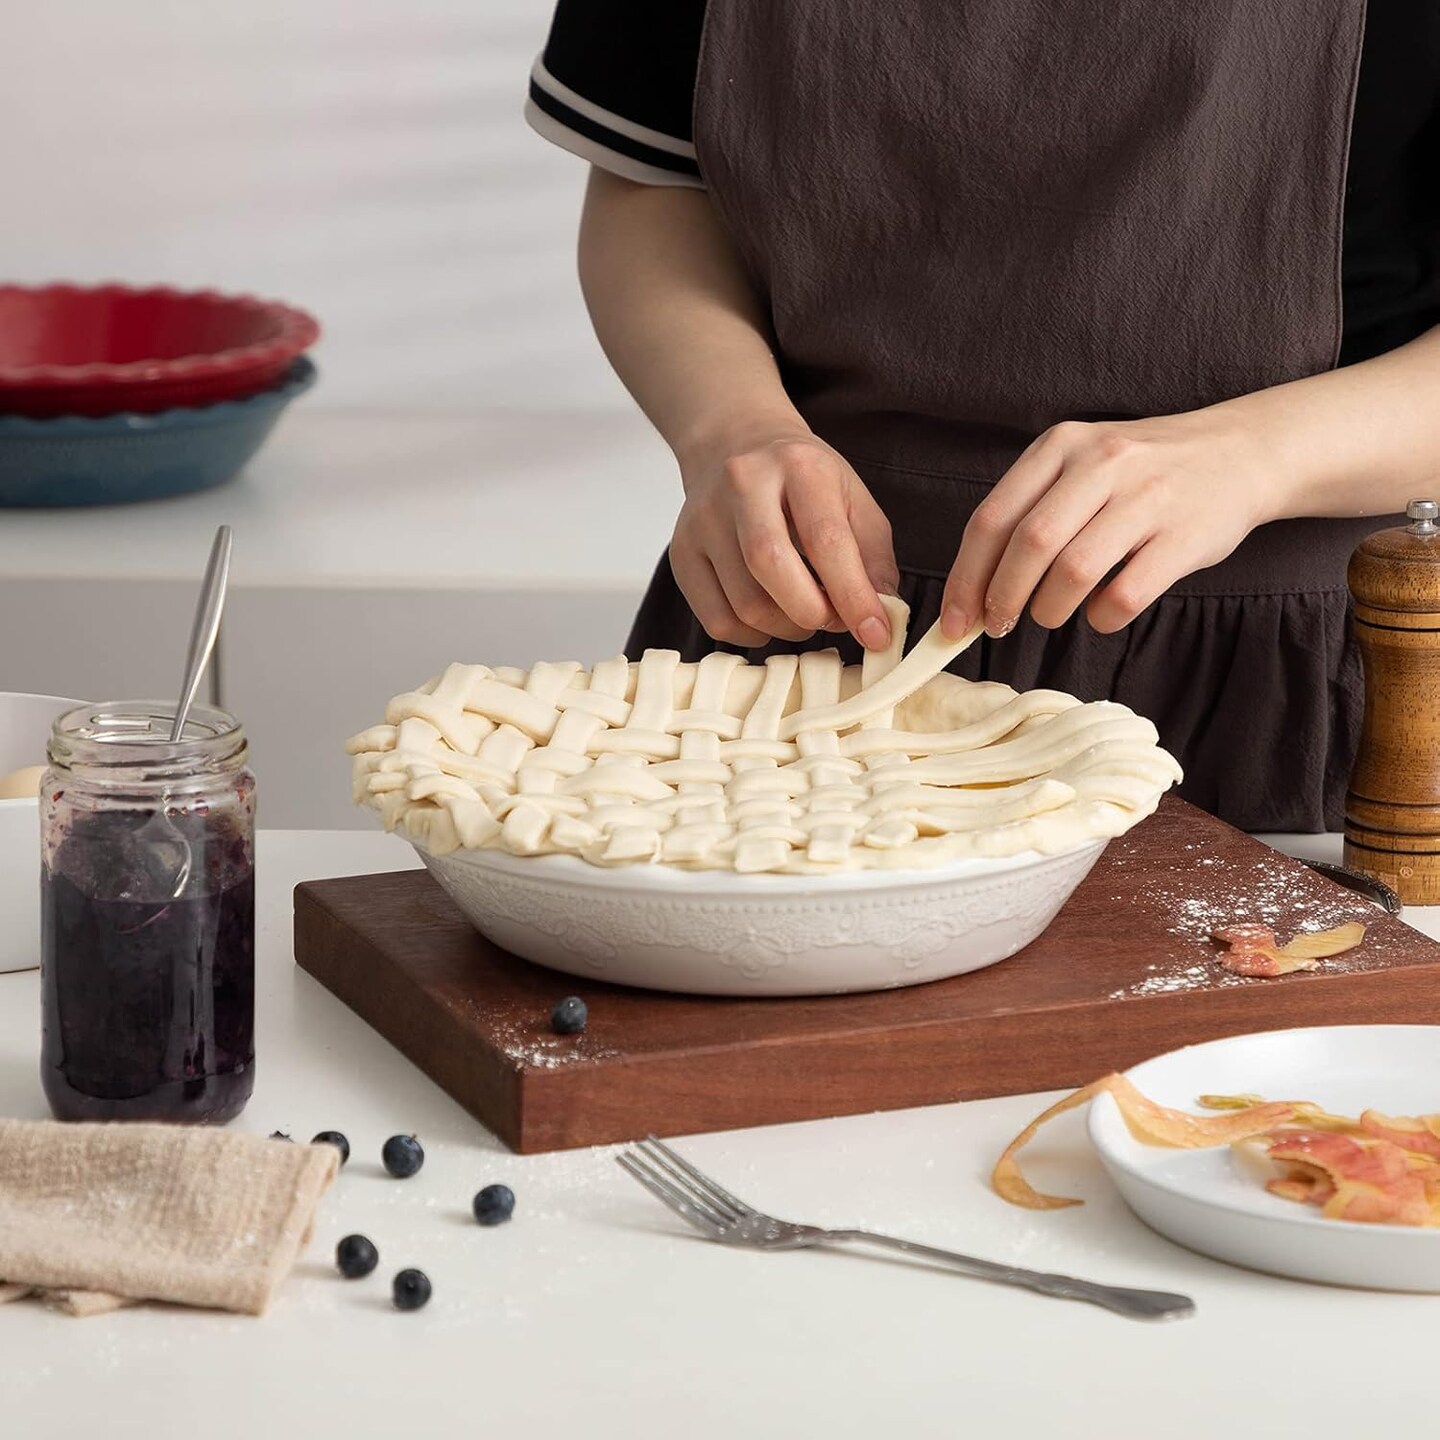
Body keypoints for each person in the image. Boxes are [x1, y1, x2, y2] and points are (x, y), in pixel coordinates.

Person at [525, 1, 1440, 832]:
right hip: (800, 644)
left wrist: (1257, 457)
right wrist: (732, 427)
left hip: (1305, 680)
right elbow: (655, 182)